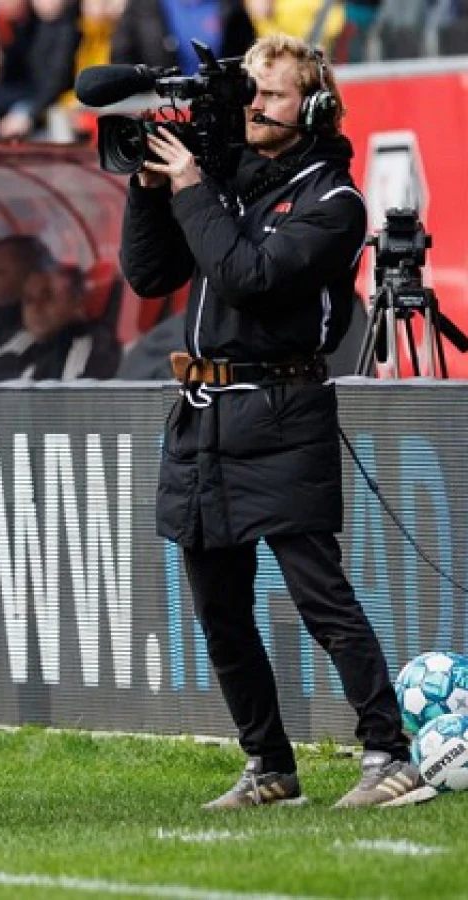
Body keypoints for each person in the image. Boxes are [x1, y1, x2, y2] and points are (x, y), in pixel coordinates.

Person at [121, 35, 419, 808]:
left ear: (314, 108)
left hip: (283, 412)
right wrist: (153, 187)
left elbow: (249, 276)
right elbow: (149, 275)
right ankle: (270, 767)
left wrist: (192, 186)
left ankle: (389, 755)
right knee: (218, 607)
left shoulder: (334, 201)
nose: (253, 105)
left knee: (320, 595)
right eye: (249, 91)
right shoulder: (227, 179)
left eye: (273, 95)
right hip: (202, 414)